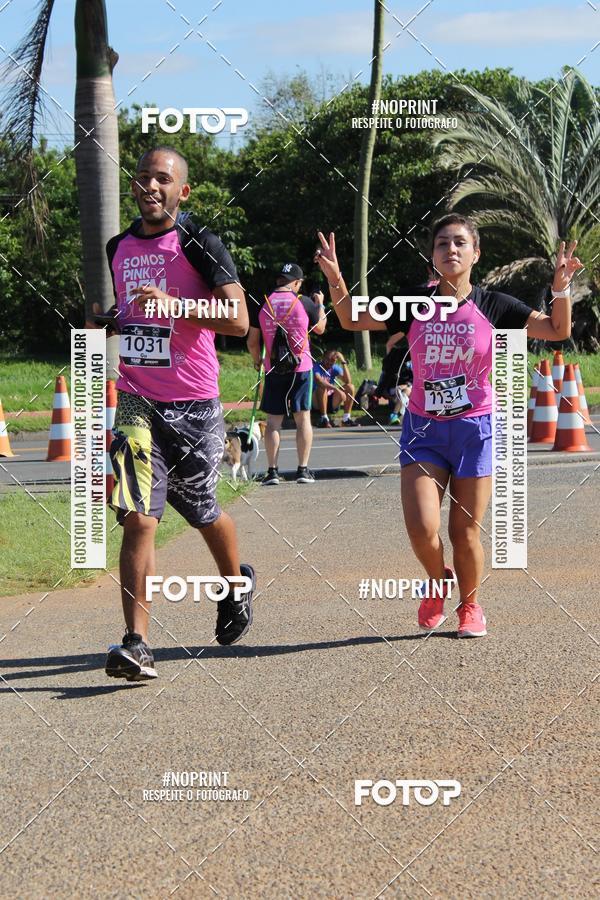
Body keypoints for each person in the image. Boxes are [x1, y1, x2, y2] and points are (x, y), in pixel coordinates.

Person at [314, 215, 581, 638]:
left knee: (464, 531)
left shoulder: (495, 305)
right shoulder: (413, 302)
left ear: (476, 253)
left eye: (460, 243)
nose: (450, 250)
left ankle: (470, 606)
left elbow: (557, 329)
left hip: (475, 429)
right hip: (424, 429)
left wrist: (561, 287)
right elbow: (350, 319)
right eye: (442, 244)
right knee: (422, 527)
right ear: (432, 255)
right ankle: (438, 579)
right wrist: (335, 278)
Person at [101, 146, 255, 682]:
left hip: (193, 406)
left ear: (182, 191)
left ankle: (236, 584)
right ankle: (136, 642)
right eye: (143, 177)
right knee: (139, 518)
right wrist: (112, 324)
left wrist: (179, 305)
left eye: (162, 179)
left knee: (201, 508)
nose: (151, 186)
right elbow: (129, 317)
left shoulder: (199, 243)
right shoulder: (117, 246)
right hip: (137, 401)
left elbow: (237, 319)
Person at [247, 263, 326, 485]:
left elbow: (253, 341)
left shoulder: (263, 302)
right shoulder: (304, 302)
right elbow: (320, 328)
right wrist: (320, 304)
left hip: (273, 368)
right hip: (301, 368)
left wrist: (257, 361)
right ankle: (303, 470)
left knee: (273, 422)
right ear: (297, 283)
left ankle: (272, 472)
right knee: (303, 419)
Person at [312, 349, 358, 427]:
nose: (329, 362)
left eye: (333, 361)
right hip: (316, 401)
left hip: (330, 401)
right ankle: (324, 418)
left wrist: (343, 361)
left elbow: (348, 381)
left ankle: (346, 419)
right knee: (322, 387)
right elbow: (319, 380)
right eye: (327, 359)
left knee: (350, 387)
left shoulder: (334, 368)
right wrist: (336, 389)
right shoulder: (316, 366)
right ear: (323, 358)